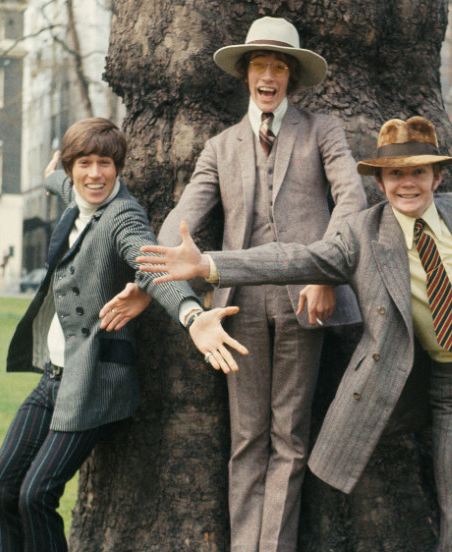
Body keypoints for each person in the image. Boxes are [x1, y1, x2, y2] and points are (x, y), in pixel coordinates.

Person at [137, 116, 452, 552]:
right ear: (380, 182)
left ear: (438, 175)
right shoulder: (362, 234)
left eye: (418, 171)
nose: (406, 183)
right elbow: (293, 257)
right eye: (395, 173)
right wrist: (208, 264)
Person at [101, 17, 367, 552]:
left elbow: (352, 204)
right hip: (235, 311)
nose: (268, 76)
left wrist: (324, 270)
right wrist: (146, 280)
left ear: (292, 76)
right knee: (247, 440)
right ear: (245, 74)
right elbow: (178, 224)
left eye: (278, 66)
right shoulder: (219, 147)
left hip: (304, 303)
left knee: (289, 438)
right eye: (259, 65)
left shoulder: (323, 132)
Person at [0, 118, 246, 552]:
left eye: (105, 163)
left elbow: (152, 267)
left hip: (92, 380)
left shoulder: (123, 215)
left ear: (118, 167)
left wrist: (192, 314)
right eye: (84, 163)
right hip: (51, 380)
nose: (95, 174)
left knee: (35, 496)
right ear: (71, 167)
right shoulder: (73, 192)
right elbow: (60, 185)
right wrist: (50, 177)